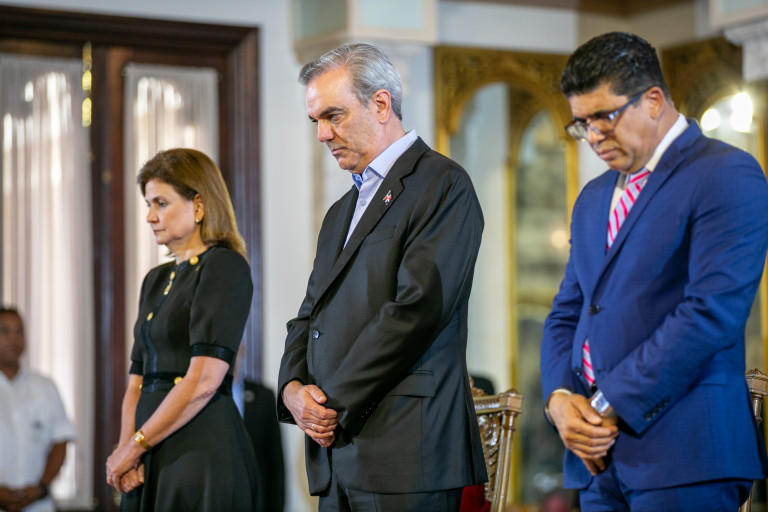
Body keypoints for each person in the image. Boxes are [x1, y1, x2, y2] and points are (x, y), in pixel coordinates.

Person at [540, 31, 768, 512]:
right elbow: (568, 313)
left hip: (685, 454)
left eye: (604, 117)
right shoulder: (594, 197)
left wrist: (608, 403)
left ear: (653, 100)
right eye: (582, 124)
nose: (594, 136)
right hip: (596, 460)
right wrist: (560, 399)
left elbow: (711, 313)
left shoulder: (726, 173)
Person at [277, 43, 487, 511]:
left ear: (380, 103)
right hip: (338, 457)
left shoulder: (442, 184)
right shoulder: (340, 212)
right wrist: (291, 389)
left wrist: (328, 402)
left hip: (407, 453)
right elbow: (310, 314)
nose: (323, 134)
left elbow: (416, 310)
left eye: (333, 115)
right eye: (316, 121)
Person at [105, 148, 262, 511]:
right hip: (147, 450)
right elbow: (137, 382)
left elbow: (204, 379)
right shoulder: (154, 279)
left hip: (198, 451)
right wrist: (127, 449)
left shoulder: (224, 266)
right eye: (148, 204)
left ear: (199, 205)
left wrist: (134, 446)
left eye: (161, 203)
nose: (150, 216)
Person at [0, 307, 76, 512]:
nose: (13, 338)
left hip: (38, 504)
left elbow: (60, 441)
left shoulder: (45, 386)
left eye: (19, 331)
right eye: (4, 331)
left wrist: (40, 487)